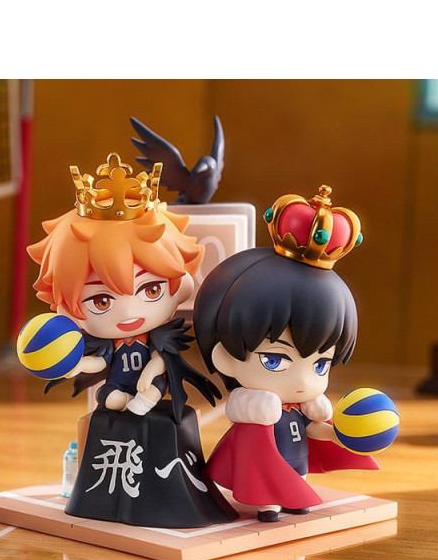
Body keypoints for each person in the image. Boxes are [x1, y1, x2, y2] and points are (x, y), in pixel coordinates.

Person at [27, 152, 235, 528]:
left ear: (179, 284)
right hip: (119, 387)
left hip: (147, 386)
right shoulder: (108, 344)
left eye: (151, 289)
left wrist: (150, 377)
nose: (129, 312)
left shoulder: (158, 337)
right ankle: (133, 399)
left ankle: (145, 397)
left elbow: (160, 360)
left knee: (151, 386)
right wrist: (74, 362)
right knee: (110, 399)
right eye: (101, 300)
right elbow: (97, 363)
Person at [193, 184, 378, 522]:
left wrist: (340, 433)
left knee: (298, 489)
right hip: (265, 468)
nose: (303, 381)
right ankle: (269, 505)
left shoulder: (303, 406)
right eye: (274, 360)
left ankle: (294, 497)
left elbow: (316, 432)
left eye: (321, 364)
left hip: (298, 463)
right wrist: (252, 407)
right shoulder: (255, 407)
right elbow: (246, 432)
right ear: (226, 357)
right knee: (270, 497)